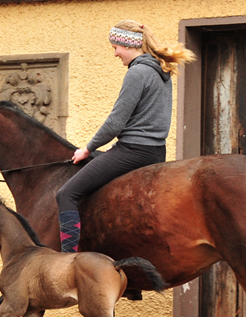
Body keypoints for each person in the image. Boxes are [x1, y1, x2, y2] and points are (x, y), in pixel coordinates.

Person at [55, 20, 196, 252]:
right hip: (155, 152)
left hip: (133, 151)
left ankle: (67, 260)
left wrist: (88, 149)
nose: (115, 54)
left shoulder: (137, 72)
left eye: (115, 47)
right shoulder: (161, 71)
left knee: (66, 193)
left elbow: (115, 123)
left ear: (127, 45)